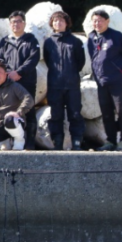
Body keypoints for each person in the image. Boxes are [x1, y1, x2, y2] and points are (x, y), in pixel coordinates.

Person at [87, 9, 122, 151]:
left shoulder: (116, 36)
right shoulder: (91, 37)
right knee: (106, 112)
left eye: (100, 20)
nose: (97, 23)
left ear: (107, 21)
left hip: (117, 81)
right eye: (95, 21)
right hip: (101, 82)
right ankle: (110, 141)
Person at [0, 11, 40, 149]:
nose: (16, 24)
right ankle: (11, 141)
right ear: (10, 24)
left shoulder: (31, 40)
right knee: (8, 111)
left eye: (19, 21)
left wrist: (19, 72)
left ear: (24, 23)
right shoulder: (5, 41)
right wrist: (8, 73)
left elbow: (33, 59)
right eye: (13, 22)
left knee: (29, 110)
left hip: (26, 81)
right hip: (8, 82)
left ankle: (30, 142)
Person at [43, 11, 85, 150]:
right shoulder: (48, 42)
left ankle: (77, 143)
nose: (58, 23)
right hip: (54, 84)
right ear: (52, 24)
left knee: (75, 114)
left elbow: (80, 62)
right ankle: (58, 143)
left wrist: (70, 74)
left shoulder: (76, 42)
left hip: (72, 84)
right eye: (55, 21)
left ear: (67, 23)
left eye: (61, 21)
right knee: (56, 115)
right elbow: (48, 61)